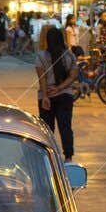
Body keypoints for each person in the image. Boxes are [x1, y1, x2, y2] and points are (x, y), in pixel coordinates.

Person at [36, 24, 78, 161]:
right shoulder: (69, 55)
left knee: (47, 129)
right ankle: (68, 156)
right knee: (65, 126)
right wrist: (60, 88)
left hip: (46, 94)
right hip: (65, 95)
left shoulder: (41, 56)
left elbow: (41, 78)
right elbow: (73, 76)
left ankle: (48, 156)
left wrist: (46, 97)